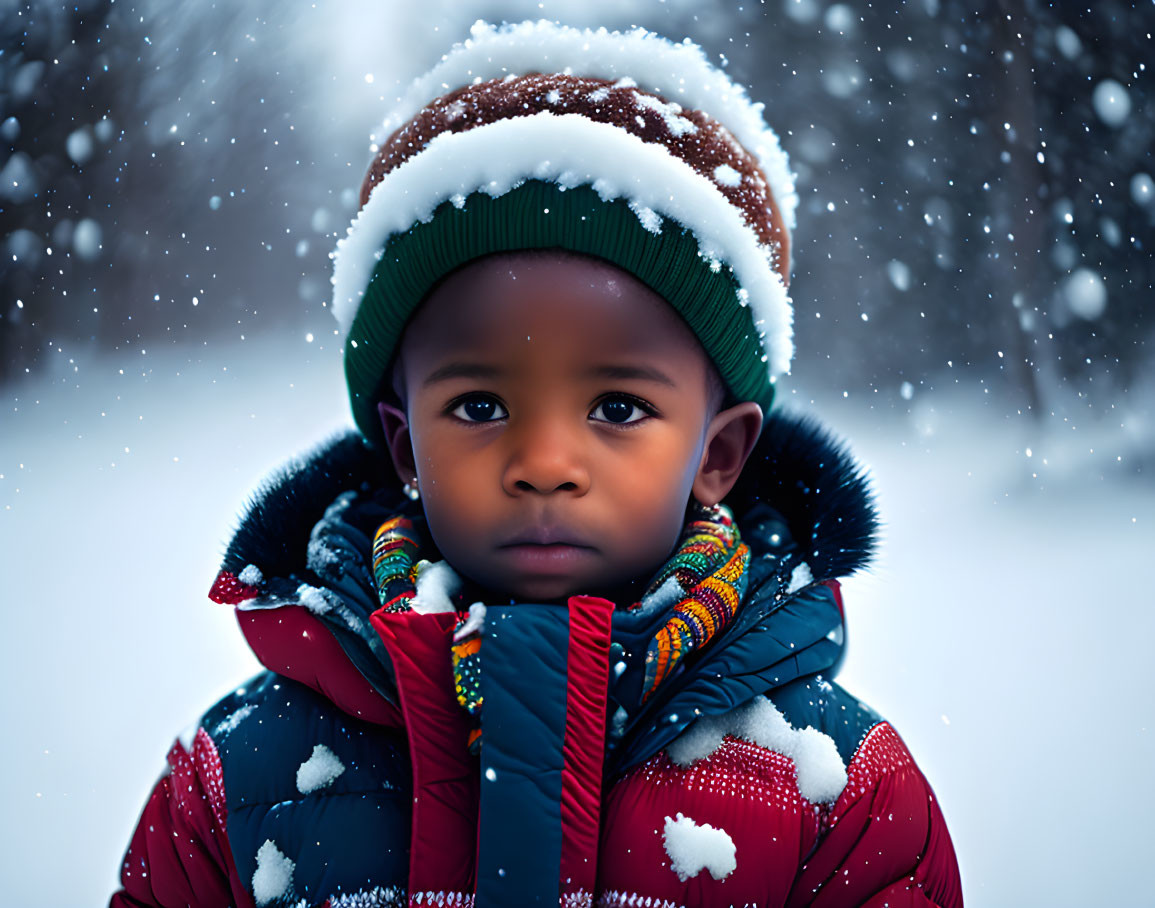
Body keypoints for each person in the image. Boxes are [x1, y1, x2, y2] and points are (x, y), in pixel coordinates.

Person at [111, 20, 962, 908]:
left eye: (617, 408)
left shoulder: (832, 793)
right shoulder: (242, 779)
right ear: (405, 446)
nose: (545, 464)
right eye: (480, 407)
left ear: (716, 456)